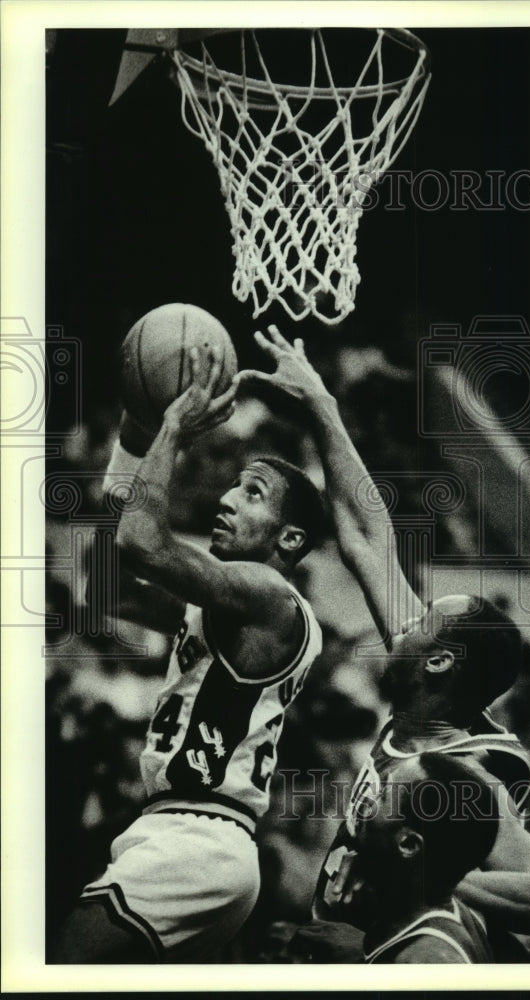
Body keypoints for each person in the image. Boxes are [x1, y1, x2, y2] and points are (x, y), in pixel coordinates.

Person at [240, 328, 530, 963]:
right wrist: (321, 406)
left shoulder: (466, 772)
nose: (404, 619)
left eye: (424, 619)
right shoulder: (421, 701)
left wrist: (421, 888)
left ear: (438, 659)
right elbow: (368, 535)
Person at [52, 347, 326, 963]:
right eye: (232, 485)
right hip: (191, 834)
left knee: (62, 963)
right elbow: (106, 586)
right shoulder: (228, 607)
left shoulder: (269, 595)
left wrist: (169, 424)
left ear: (289, 538)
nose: (227, 499)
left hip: (196, 837)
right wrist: (130, 442)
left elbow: (143, 542)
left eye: (251, 493)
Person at [353, 753, 499, 964]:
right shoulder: (443, 910)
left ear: (408, 845)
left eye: (383, 795)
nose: (368, 798)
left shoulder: (430, 962)